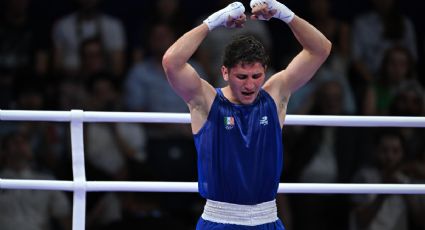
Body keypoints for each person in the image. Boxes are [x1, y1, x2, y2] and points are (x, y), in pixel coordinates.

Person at [161, 0, 331, 229]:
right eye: (242, 77)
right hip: (219, 220)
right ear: (225, 72)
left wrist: (284, 14)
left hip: (267, 219)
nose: (250, 85)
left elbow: (321, 48)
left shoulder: (275, 95)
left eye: (256, 76)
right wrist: (215, 21)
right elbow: (172, 62)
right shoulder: (207, 101)